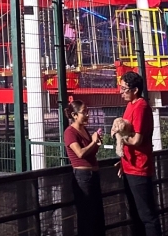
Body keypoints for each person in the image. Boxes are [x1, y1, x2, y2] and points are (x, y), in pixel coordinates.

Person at [117, 72, 160, 236]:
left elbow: (136, 140)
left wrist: (121, 139)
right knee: (135, 214)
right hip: (129, 166)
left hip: (139, 167)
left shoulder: (141, 107)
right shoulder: (130, 105)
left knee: (146, 214)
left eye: (124, 89)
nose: (121, 92)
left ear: (135, 90)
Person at [63, 101, 104, 236]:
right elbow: (80, 153)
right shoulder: (70, 132)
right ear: (74, 115)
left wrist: (96, 143)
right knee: (87, 215)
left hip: (93, 174)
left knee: (97, 214)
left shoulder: (84, 129)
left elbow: (90, 153)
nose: (87, 115)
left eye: (88, 111)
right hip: (83, 177)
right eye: (84, 112)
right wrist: (93, 142)